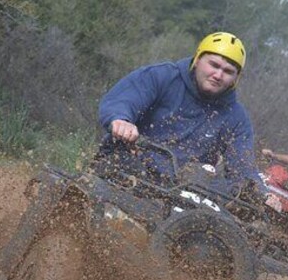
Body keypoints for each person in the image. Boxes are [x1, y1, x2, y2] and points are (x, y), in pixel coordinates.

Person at [98, 32, 263, 190]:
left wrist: (259, 192)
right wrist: (120, 120)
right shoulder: (162, 76)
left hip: (182, 189)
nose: (218, 75)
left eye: (228, 71)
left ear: (236, 78)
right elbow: (124, 99)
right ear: (197, 60)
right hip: (126, 166)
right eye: (214, 65)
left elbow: (242, 165)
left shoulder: (236, 117)